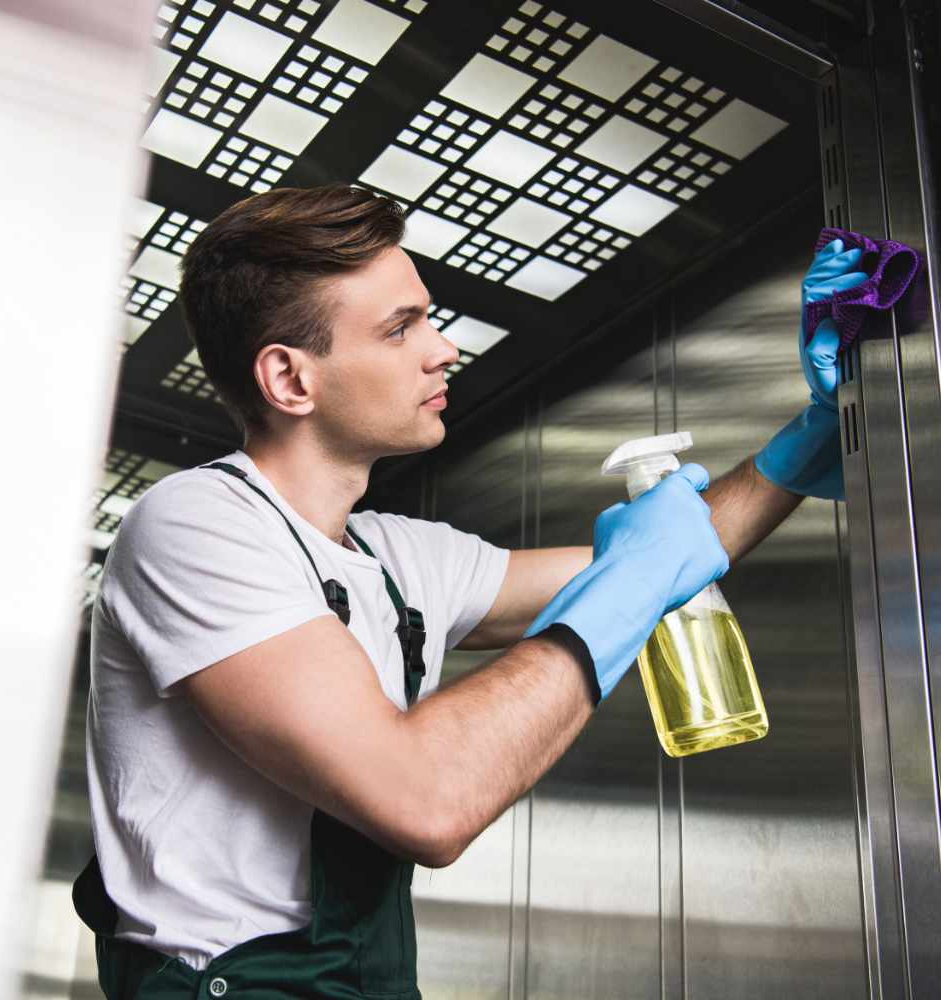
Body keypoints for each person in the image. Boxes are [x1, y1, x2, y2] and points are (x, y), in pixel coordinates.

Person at [73, 184, 866, 998]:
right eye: (401, 328)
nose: (442, 349)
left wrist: (808, 437)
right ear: (289, 380)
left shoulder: (399, 556)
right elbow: (425, 800)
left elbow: (665, 559)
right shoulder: (196, 524)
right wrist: (634, 578)